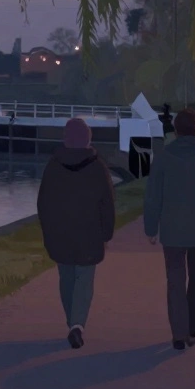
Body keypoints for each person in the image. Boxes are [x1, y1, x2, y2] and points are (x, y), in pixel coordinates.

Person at [142, 109, 195, 350]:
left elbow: (152, 199)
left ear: (176, 131)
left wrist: (151, 228)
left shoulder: (162, 159)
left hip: (172, 232)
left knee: (175, 280)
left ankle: (178, 333)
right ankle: (193, 327)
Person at [36, 117, 116, 349]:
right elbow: (107, 203)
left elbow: (43, 203)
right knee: (84, 279)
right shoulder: (97, 167)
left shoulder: (53, 166)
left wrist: (48, 231)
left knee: (67, 277)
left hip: (60, 233)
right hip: (89, 234)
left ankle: (71, 321)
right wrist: (106, 233)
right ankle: (77, 324)